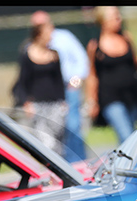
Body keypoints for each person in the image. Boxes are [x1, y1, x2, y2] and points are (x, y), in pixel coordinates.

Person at [85, 6, 137, 144]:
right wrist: (92, 102)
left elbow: (134, 63)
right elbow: (92, 76)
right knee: (127, 135)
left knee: (133, 135)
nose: (118, 19)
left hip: (132, 94)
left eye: (118, 16)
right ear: (103, 21)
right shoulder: (94, 46)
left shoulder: (126, 38)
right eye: (114, 17)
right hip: (110, 97)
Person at [30, 10, 89, 163]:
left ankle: (79, 162)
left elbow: (81, 61)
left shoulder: (64, 38)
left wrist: (74, 83)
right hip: (50, 95)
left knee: (73, 127)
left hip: (68, 88)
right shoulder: (32, 47)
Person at [14, 22, 67, 156]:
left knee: (58, 143)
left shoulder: (54, 55)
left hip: (54, 104)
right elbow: (22, 81)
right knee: (46, 144)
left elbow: (59, 81)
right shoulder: (28, 55)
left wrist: (63, 101)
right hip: (38, 105)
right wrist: (26, 103)